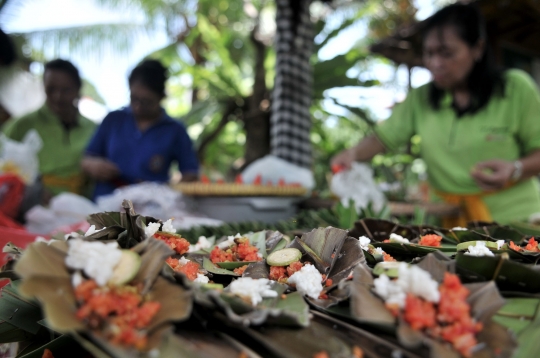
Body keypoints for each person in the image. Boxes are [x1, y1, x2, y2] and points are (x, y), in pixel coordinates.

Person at [331, 4, 540, 226]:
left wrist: (515, 168)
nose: (435, 63)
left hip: (517, 222)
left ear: (477, 48)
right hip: (450, 225)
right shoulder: (421, 98)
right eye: (429, 53)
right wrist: (351, 155)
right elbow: (383, 138)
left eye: (446, 53)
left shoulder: (515, 88)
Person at [82, 59, 199, 199]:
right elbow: (87, 158)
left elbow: (190, 173)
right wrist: (94, 166)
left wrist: (164, 192)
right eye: (134, 99)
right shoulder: (114, 120)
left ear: (161, 97)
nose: (138, 106)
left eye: (146, 102)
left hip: (151, 209)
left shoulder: (175, 130)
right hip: (106, 204)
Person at [3, 59, 96, 196]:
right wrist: (31, 191)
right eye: (51, 89)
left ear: (78, 89)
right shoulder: (22, 125)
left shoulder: (94, 129)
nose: (58, 97)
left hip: (82, 208)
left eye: (66, 90)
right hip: (31, 208)